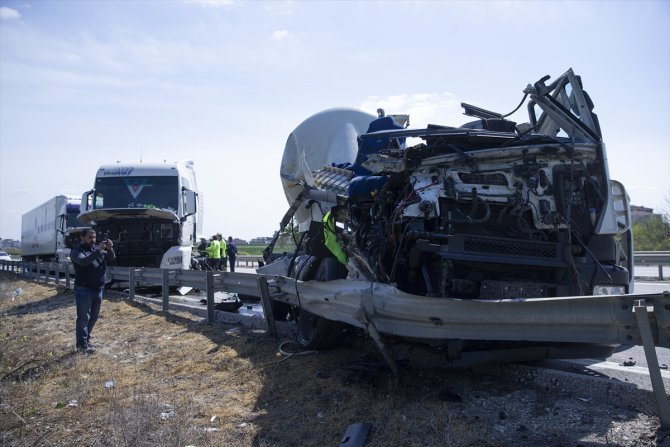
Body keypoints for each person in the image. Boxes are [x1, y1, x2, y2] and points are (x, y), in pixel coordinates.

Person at [71, 228, 115, 354]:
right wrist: (99, 250)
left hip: (98, 289)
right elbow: (84, 262)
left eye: (94, 237)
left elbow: (111, 258)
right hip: (83, 289)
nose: (93, 240)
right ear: (82, 237)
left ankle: (86, 340)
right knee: (83, 318)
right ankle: (81, 346)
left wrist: (110, 248)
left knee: (93, 317)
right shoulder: (77, 251)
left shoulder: (96, 249)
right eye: (90, 237)